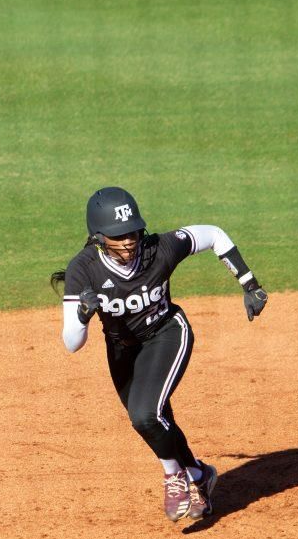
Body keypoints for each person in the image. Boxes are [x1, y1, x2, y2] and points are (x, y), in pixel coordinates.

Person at [51, 187, 268, 522]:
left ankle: (174, 477)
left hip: (167, 333)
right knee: (154, 421)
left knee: (144, 415)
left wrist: (249, 283)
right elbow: (71, 343)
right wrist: (82, 314)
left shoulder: (160, 249)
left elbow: (212, 235)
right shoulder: (83, 269)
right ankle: (199, 475)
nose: (128, 241)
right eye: (117, 236)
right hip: (122, 351)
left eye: (133, 232)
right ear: (97, 237)